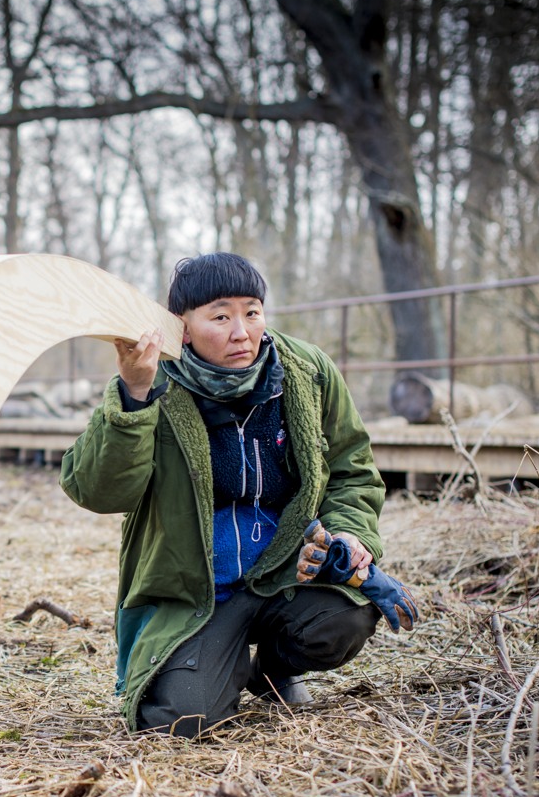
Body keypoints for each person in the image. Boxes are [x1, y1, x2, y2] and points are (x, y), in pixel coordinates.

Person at [60, 253, 419, 737]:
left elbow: (352, 468)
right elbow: (99, 492)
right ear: (182, 327)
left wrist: (351, 533)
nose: (241, 332)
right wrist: (134, 395)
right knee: (183, 720)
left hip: (286, 576)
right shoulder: (150, 381)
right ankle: (218, 660)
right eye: (220, 317)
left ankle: (272, 670)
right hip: (199, 594)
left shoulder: (306, 371)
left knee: (346, 617)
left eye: (252, 312)